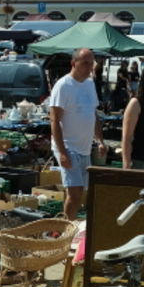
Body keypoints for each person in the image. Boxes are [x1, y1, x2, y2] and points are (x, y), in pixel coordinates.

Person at [48, 47, 102, 220]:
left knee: (78, 193)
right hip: (68, 146)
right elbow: (55, 120)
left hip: (84, 148)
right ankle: (67, 232)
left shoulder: (89, 83)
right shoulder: (63, 86)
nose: (89, 67)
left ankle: (65, 224)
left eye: (91, 63)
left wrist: (100, 140)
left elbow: (94, 114)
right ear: (73, 63)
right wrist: (62, 152)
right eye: (85, 63)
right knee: (76, 193)